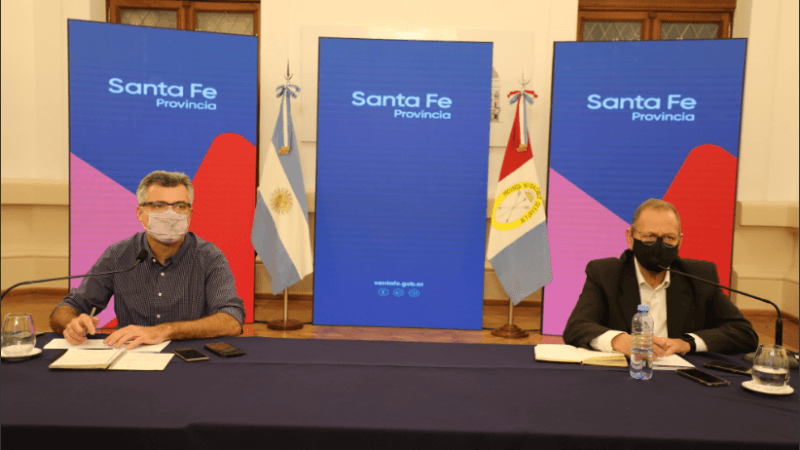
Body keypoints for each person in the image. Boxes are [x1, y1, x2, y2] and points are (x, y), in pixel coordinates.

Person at [50, 170, 244, 349]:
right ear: (140, 213)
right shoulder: (118, 254)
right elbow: (67, 308)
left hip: (189, 355)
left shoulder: (210, 256)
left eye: (180, 206)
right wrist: (71, 324)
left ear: (190, 214)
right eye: (159, 205)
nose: (170, 214)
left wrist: (164, 331)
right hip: (130, 355)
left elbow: (232, 320)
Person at [563, 198, 758, 357]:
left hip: (681, 377)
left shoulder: (700, 276)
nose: (659, 245)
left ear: (680, 241)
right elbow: (576, 327)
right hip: (626, 373)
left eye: (668, 238)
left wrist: (687, 343)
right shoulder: (606, 273)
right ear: (630, 238)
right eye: (650, 236)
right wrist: (620, 340)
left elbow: (743, 332)